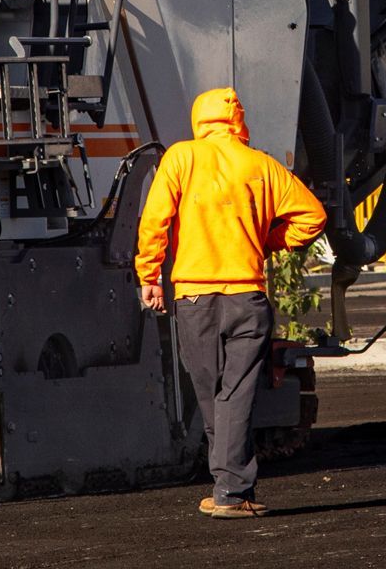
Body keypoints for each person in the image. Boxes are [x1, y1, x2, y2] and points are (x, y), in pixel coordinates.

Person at [135, 87, 327, 518]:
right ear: (239, 120)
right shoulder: (261, 165)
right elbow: (313, 216)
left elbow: (154, 222)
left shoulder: (181, 158)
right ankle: (231, 489)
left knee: (211, 392)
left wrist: (150, 276)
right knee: (235, 394)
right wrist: (270, 240)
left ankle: (228, 488)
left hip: (194, 296)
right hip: (247, 295)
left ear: (199, 119)